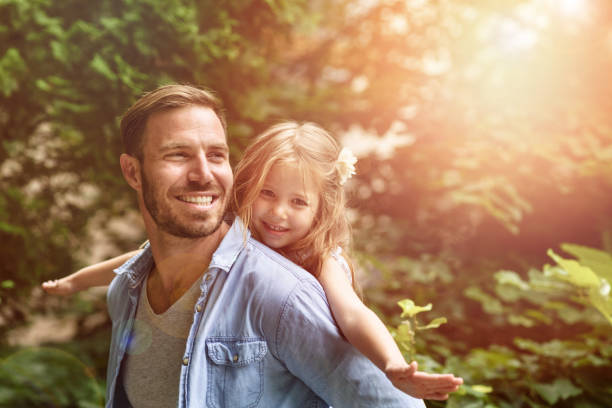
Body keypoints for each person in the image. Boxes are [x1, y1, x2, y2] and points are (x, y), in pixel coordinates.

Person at [46, 84, 461, 407]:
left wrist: (391, 366)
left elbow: (362, 337)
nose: (202, 174)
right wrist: (73, 283)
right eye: (178, 155)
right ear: (132, 172)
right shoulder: (128, 289)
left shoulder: (288, 292)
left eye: (215, 154)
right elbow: (133, 259)